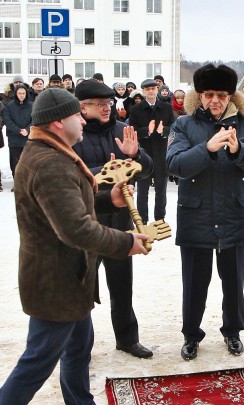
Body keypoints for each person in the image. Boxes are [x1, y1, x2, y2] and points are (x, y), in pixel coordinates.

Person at [0, 88, 148, 405]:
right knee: (36, 364)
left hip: (70, 279)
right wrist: (126, 242)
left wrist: (110, 199)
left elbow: (67, 205)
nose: (83, 119)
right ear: (57, 122)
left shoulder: (51, 152)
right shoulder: (50, 162)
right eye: (76, 115)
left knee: (79, 349)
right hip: (56, 284)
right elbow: (75, 228)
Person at [166, 64, 244, 361]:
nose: (215, 101)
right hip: (196, 215)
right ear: (199, 96)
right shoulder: (183, 125)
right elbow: (175, 164)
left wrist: (239, 152)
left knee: (234, 281)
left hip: (234, 213)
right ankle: (191, 335)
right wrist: (208, 149)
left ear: (230, 97)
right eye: (209, 94)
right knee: (195, 282)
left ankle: (233, 331)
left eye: (221, 95)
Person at [73, 79, 155, 359]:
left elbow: (146, 170)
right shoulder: (75, 135)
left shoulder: (123, 130)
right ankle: (80, 347)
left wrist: (136, 155)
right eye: (99, 104)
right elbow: (70, 175)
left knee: (122, 286)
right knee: (83, 289)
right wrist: (106, 169)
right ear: (82, 108)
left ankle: (127, 339)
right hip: (87, 223)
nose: (106, 108)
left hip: (120, 223)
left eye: (109, 103)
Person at [129, 79, 175, 222]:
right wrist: (146, 131)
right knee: (142, 190)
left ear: (157, 89)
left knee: (161, 190)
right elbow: (132, 130)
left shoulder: (166, 108)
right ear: (143, 91)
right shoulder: (136, 109)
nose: (150, 91)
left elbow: (174, 128)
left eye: (153, 88)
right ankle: (142, 220)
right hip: (144, 153)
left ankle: (160, 218)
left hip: (161, 153)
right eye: (147, 89)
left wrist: (164, 131)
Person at [3, 84, 32, 190]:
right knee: (15, 162)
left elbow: (34, 119)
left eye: (23, 93)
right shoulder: (9, 106)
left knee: (28, 161)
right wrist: (18, 130)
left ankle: (27, 184)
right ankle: (17, 184)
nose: (21, 95)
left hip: (28, 138)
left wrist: (27, 130)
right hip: (14, 138)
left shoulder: (31, 105)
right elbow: (7, 120)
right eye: (19, 93)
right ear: (16, 94)